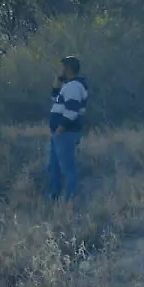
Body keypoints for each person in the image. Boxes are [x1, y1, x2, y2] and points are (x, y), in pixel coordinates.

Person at [48, 55, 89, 201]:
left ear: (68, 68)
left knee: (66, 168)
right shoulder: (68, 85)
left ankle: (70, 199)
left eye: (62, 67)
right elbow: (55, 98)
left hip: (65, 133)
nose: (61, 70)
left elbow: (72, 110)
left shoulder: (74, 87)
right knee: (54, 168)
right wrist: (57, 82)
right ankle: (54, 197)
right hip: (58, 134)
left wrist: (60, 129)